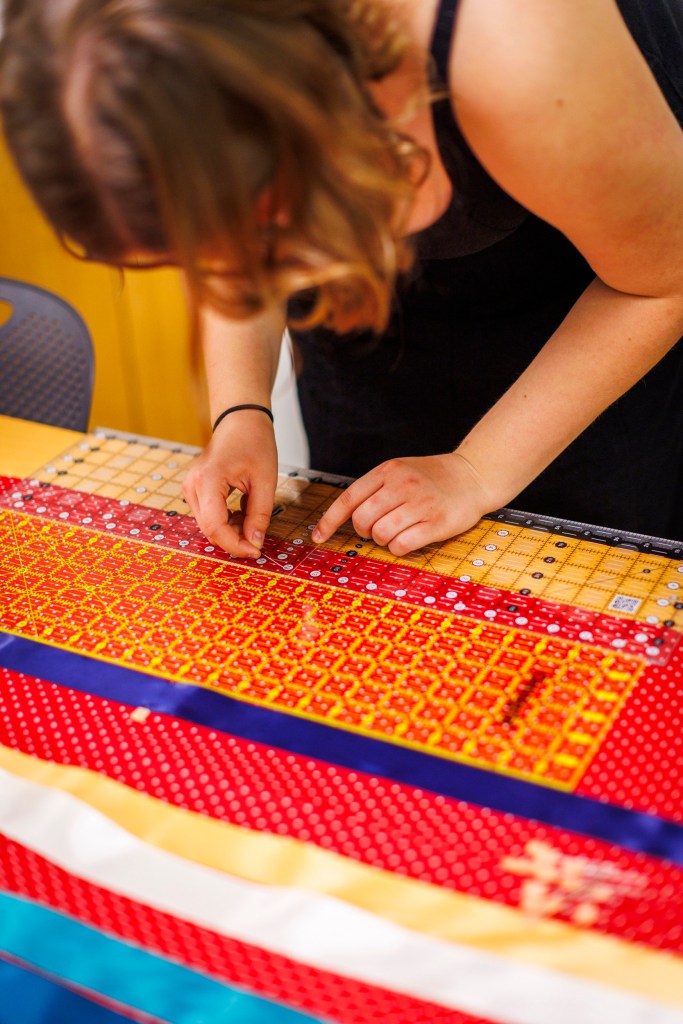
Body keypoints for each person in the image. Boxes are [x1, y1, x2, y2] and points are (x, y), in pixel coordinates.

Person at [2, 0, 683, 559]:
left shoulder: (517, 43)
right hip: (369, 377)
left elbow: (662, 277)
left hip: (597, 333)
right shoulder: (211, 89)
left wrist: (478, 470)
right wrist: (240, 412)